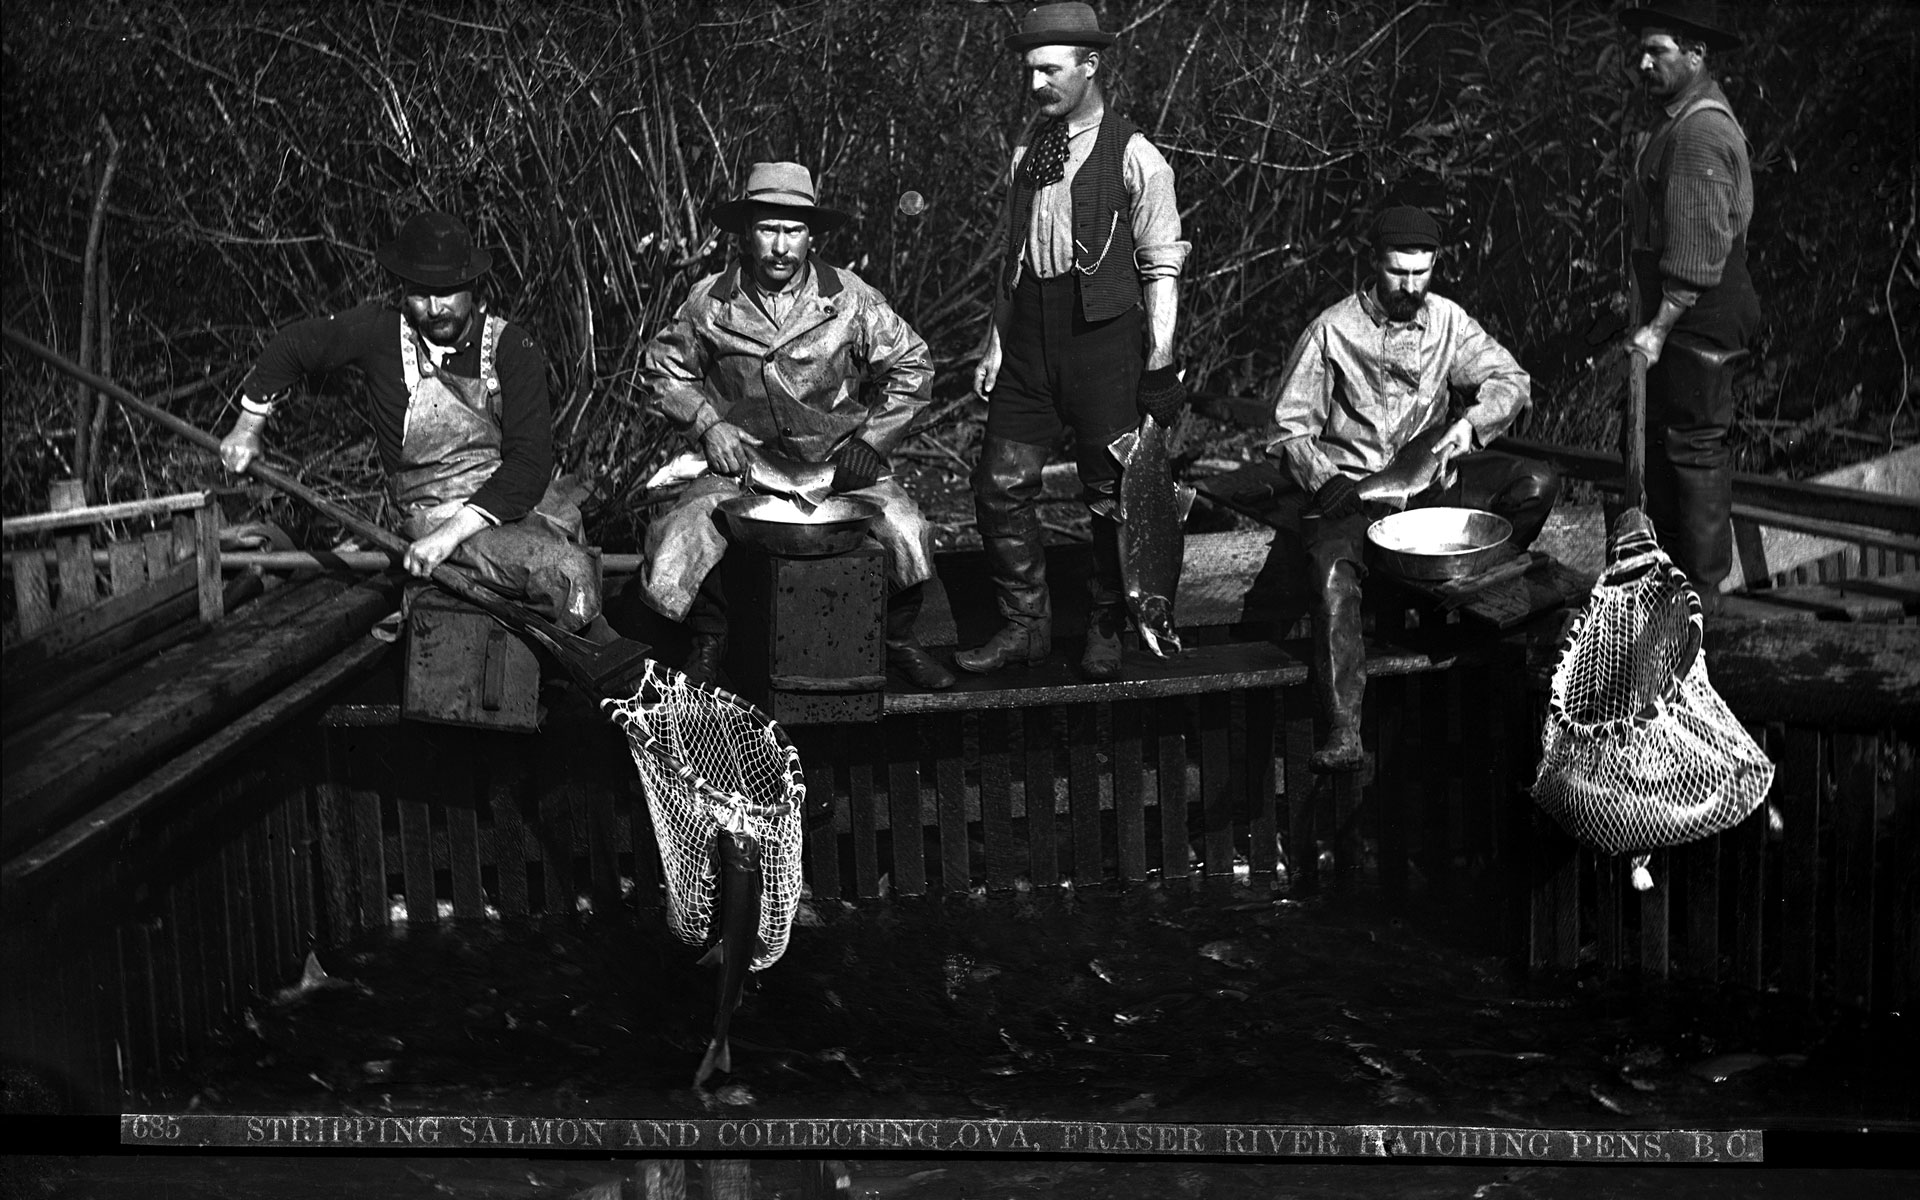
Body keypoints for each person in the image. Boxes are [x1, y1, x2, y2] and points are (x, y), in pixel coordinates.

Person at [636, 161, 954, 691]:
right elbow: (662, 368)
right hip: (743, 466)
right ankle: (709, 643)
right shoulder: (710, 300)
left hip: (839, 466)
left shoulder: (850, 298)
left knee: (907, 529)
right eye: (767, 229)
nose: (780, 247)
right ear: (745, 234)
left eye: (793, 230)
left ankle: (897, 641)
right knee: (681, 533)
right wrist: (707, 425)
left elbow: (914, 366)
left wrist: (873, 444)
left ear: (810, 237)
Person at [1267, 206, 1560, 773]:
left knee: (1536, 481)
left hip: (1430, 490)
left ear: (1435, 266)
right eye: (1398, 272)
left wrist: (1469, 425)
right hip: (1354, 495)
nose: (1408, 285)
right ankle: (1344, 728)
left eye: (1420, 273)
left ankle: (1464, 595)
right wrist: (1324, 479)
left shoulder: (1449, 321)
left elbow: (1512, 380)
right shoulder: (1331, 329)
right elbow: (1285, 426)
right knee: (1330, 569)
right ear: (1375, 262)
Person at [218, 210, 605, 634]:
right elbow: (293, 347)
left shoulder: (513, 348)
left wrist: (452, 535)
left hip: (506, 506)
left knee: (574, 569)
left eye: (447, 293)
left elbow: (529, 467)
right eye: (421, 294)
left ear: (473, 287)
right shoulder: (381, 333)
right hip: (430, 515)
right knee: (564, 571)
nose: (435, 308)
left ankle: (603, 679)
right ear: (403, 289)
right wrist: (248, 425)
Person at [959, 0, 1191, 680]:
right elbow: (1013, 258)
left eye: (1051, 71)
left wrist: (1160, 365)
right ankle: (1025, 627)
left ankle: (1106, 626)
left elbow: (1162, 269)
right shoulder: (1028, 152)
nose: (1037, 85)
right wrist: (995, 344)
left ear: (1090, 67)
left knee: (1112, 494)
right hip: (1030, 338)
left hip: (1103, 342)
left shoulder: (1137, 156)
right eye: (1030, 72)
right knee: (998, 484)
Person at [1621, 0, 1758, 606]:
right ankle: (1671, 598)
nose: (1643, 62)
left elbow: (1700, 253)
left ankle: (1703, 605)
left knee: (1695, 449)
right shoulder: (1670, 120)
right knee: (1668, 451)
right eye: (1641, 52)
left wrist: (1657, 327)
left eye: (1659, 51)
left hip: (1699, 313)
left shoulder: (1700, 129)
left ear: (1697, 55)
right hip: (1680, 310)